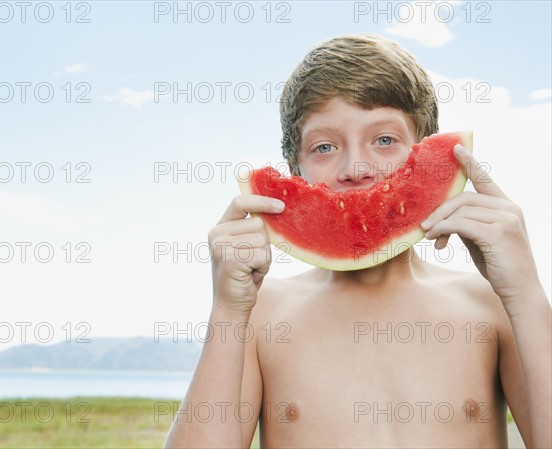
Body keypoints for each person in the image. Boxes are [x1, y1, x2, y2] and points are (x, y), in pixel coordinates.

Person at [164, 34, 551, 448]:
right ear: (296, 171)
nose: (356, 167)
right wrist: (227, 311)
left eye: (384, 140)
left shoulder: (491, 305)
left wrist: (525, 291)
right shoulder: (260, 315)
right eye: (325, 146)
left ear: (425, 154)